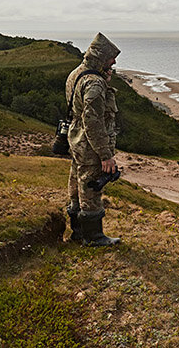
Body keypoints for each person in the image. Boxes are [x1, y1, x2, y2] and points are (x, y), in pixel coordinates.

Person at [64, 32, 121, 246]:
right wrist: (106, 155)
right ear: (100, 57)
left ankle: (78, 231)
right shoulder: (95, 84)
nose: (113, 61)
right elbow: (94, 122)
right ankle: (93, 237)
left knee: (76, 183)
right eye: (110, 58)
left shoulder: (76, 74)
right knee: (90, 187)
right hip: (90, 144)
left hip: (76, 138)